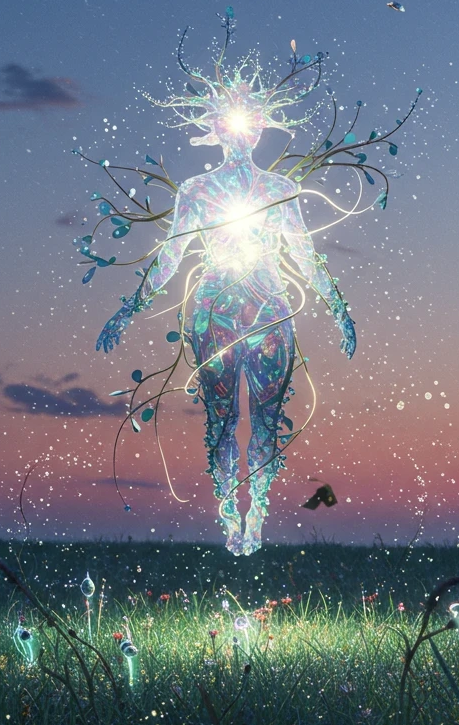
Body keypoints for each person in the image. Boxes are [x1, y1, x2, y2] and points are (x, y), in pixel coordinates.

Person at [96, 62, 355, 555]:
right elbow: (172, 252)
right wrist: (128, 308)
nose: (241, 134)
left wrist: (340, 310)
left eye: (250, 124)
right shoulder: (196, 191)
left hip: (268, 312)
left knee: (263, 419)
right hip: (216, 310)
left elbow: (304, 255)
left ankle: (254, 517)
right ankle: (230, 519)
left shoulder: (280, 191)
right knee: (219, 419)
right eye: (232, 124)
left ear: (259, 130)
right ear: (216, 132)